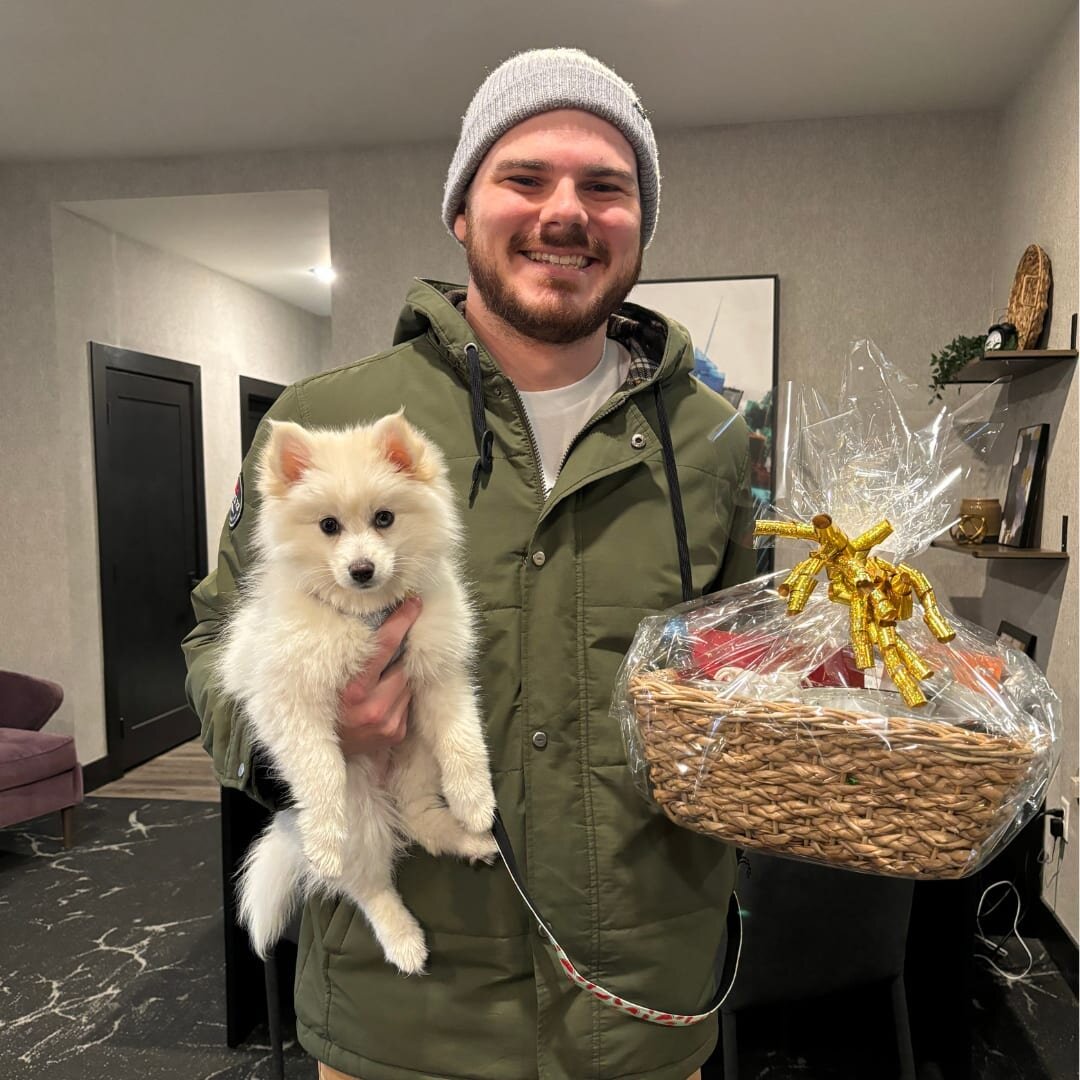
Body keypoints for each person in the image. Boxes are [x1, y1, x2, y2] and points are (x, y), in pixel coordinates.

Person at [183, 47, 755, 1080]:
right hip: (401, 1018)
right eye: (524, 178)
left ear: (642, 219)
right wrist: (307, 742)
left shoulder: (715, 442)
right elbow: (215, 644)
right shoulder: (327, 422)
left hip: (638, 1013)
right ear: (462, 209)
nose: (566, 212)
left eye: (606, 186)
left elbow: (744, 663)